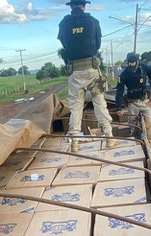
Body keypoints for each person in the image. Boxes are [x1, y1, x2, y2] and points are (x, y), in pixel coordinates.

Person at [57, 0, 112, 149]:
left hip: (74, 72)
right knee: (99, 102)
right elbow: (98, 44)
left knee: (75, 107)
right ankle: (109, 138)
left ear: (71, 6)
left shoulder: (63, 24)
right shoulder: (92, 21)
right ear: (84, 5)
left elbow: (64, 44)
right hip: (91, 69)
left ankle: (74, 142)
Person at [115, 53, 151, 147]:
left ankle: (149, 148)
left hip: (145, 102)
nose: (132, 70)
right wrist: (118, 107)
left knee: (150, 126)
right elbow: (119, 90)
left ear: (138, 62)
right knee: (133, 127)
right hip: (132, 103)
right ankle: (135, 147)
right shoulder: (124, 74)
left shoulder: (145, 68)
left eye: (134, 66)